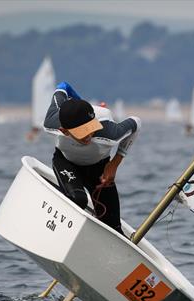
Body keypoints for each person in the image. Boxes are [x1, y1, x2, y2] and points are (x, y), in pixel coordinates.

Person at [44, 82, 141, 236]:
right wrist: (77, 102)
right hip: (66, 162)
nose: (89, 135)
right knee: (78, 199)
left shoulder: (109, 133)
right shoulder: (52, 123)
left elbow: (136, 122)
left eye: (90, 128)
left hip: (99, 170)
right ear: (64, 131)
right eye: (83, 132)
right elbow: (63, 86)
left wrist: (114, 164)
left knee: (114, 229)